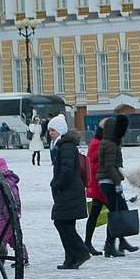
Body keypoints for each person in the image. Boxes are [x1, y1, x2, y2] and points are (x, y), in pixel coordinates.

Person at [48, 114, 89, 270]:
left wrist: (56, 185)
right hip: (71, 191)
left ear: (60, 130)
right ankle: (70, 260)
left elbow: (66, 171)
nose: (50, 133)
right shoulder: (64, 146)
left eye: (52, 130)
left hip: (68, 191)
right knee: (67, 224)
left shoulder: (65, 147)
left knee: (61, 223)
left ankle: (81, 252)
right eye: (49, 130)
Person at [96, 114, 138, 257]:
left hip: (108, 181)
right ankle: (109, 246)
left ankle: (120, 242)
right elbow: (109, 166)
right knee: (115, 214)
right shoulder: (110, 144)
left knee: (118, 212)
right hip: (109, 182)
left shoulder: (108, 143)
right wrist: (117, 182)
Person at [0, 157, 27, 265]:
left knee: (0, 239)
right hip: (4, 215)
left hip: (7, 216)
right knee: (12, 239)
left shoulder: (7, 183)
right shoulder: (0, 183)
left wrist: (16, 211)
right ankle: (23, 257)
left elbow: (15, 198)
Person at [82, 122, 106, 256]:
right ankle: (113, 242)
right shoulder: (97, 144)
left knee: (95, 215)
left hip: (99, 183)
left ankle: (88, 242)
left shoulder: (96, 142)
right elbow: (93, 164)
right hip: (99, 184)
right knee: (113, 212)